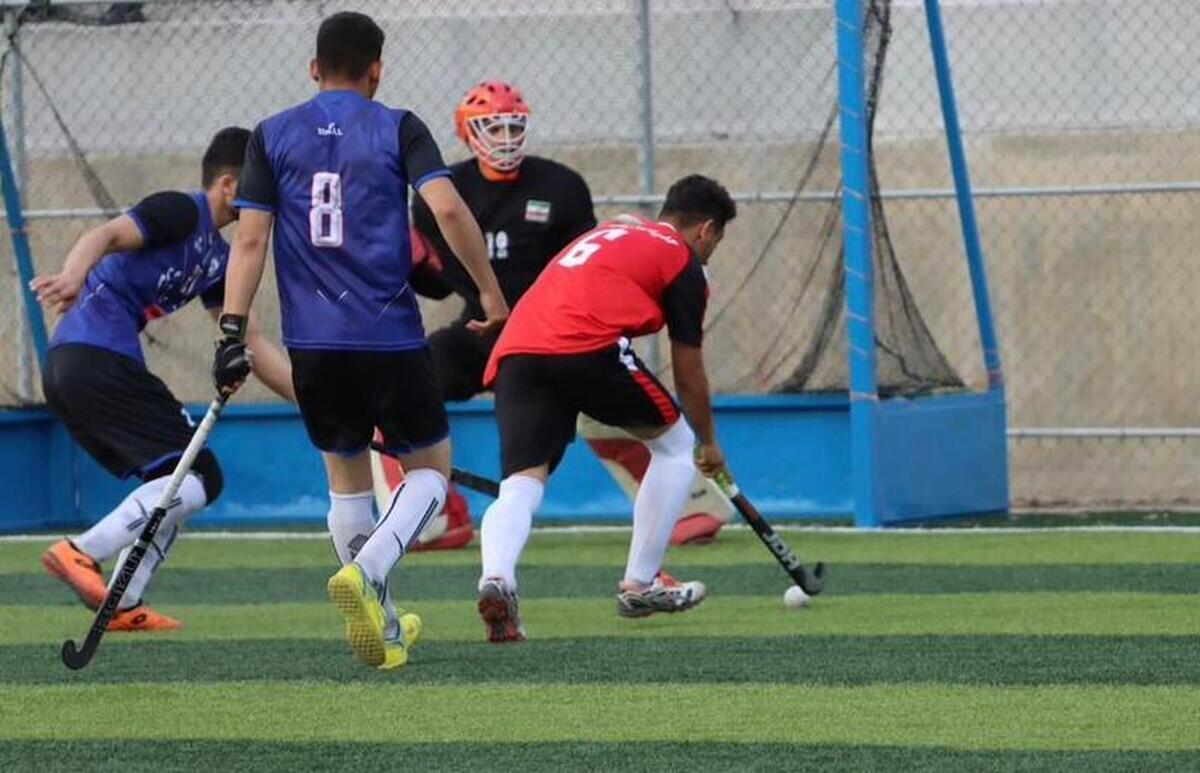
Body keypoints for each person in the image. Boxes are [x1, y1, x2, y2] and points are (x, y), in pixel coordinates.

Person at [213, 12, 507, 670]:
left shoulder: (270, 134)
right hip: (388, 337)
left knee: (347, 486)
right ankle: (369, 571)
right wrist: (489, 294)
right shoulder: (399, 126)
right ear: (377, 70)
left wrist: (232, 330)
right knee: (429, 473)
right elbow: (447, 208)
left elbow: (251, 240)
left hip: (311, 343)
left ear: (314, 68)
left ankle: (387, 625)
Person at [34, 127, 294, 631]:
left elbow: (251, 342)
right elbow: (103, 236)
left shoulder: (219, 260)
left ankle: (122, 602)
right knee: (196, 474)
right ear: (228, 185)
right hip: (91, 358)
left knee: (186, 473)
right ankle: (82, 551)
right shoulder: (180, 211)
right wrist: (73, 274)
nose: (270, 201)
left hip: (92, 366)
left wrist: (316, 404)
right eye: (261, 186)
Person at [475, 174, 736, 643]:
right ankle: (641, 583)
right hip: (585, 346)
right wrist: (710, 442)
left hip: (518, 350)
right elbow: (689, 372)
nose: (711, 252)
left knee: (520, 483)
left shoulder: (616, 228)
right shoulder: (682, 259)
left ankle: (497, 579)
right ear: (707, 230)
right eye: (716, 242)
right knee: (676, 446)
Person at [396, 79, 596, 551]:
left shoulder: (562, 186)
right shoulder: (442, 191)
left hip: (547, 335)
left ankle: (687, 501)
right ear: (467, 132)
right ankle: (428, 514)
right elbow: (440, 282)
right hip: (477, 330)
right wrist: (409, 266)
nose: (505, 138)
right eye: (493, 128)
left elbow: (583, 271)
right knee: (400, 386)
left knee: (613, 393)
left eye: (513, 127)